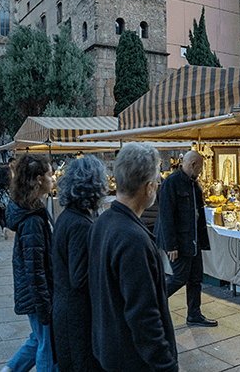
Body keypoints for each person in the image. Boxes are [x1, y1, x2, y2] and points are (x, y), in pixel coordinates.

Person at [89, 143, 177, 372]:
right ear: (148, 187)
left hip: (110, 351)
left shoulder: (102, 223)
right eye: (156, 182)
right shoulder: (133, 238)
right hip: (132, 360)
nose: (157, 187)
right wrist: (166, 365)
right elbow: (143, 315)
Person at [1, 154, 57, 372]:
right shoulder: (33, 220)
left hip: (36, 293)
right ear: (39, 179)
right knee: (47, 344)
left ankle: (10, 369)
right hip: (38, 295)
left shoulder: (34, 212)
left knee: (38, 338)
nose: (54, 179)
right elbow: (34, 269)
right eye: (51, 175)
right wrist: (44, 305)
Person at [51, 156, 107, 372]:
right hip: (76, 315)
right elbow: (79, 278)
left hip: (67, 310)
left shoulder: (68, 217)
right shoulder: (80, 224)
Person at [154, 150, 216, 327]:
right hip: (178, 241)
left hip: (193, 239)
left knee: (195, 277)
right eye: (201, 168)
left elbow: (198, 213)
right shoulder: (172, 183)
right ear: (193, 165)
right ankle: (152, 304)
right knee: (180, 277)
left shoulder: (194, 185)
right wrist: (171, 245)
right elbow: (166, 216)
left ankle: (194, 314)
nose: (201, 171)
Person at [0, 166, 11, 239]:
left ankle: (3, 228)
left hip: (0, 202)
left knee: (0, 217)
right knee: (6, 216)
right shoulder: (10, 183)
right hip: (8, 202)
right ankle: (7, 227)